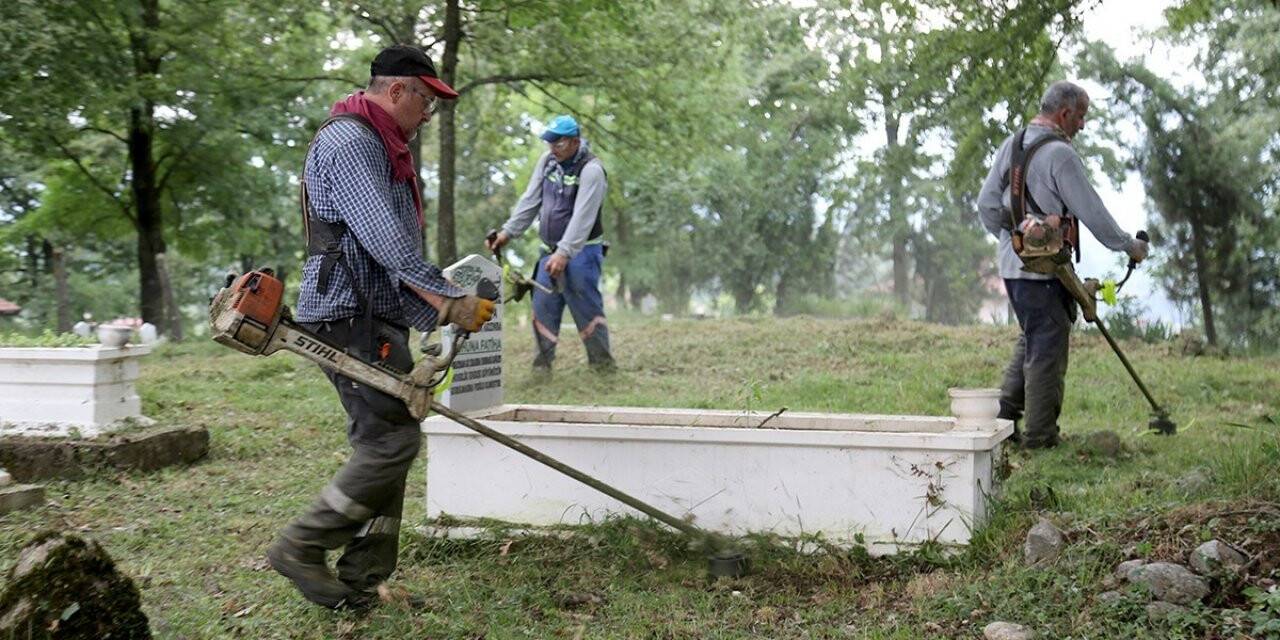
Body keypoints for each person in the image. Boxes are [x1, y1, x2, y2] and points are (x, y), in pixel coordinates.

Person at [266, 45, 495, 609]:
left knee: (387, 437)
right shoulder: (350, 143)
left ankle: (359, 586)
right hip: (349, 316)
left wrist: (436, 311)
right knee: (392, 440)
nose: (427, 115)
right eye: (426, 101)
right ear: (397, 91)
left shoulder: (377, 143)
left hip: (369, 312)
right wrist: (447, 301)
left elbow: (385, 254)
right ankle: (301, 543)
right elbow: (384, 240)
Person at [977, 80, 1149, 449]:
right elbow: (1091, 211)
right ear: (1065, 113)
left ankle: (1003, 419)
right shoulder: (1061, 154)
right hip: (1045, 271)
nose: (1083, 126)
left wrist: (1015, 239)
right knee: (1047, 348)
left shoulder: (1012, 144)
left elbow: (987, 205)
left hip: (1012, 266)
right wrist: (1127, 246)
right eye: (1082, 117)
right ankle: (1039, 438)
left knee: (1033, 337)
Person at [486, 115, 615, 372]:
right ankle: (541, 368)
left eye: (559, 143)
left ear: (575, 141)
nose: (552, 148)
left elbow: (583, 217)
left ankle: (602, 367)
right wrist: (508, 232)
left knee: (586, 306)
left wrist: (565, 252)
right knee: (543, 306)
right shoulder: (548, 162)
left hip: (583, 252)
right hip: (549, 251)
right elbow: (530, 200)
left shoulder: (592, 170)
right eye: (549, 142)